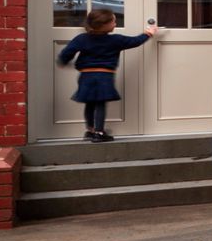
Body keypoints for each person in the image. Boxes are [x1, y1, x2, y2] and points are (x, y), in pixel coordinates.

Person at [56, 9, 158, 142]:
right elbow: (135, 41)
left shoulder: (81, 39)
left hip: (86, 76)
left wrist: (63, 62)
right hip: (104, 77)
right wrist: (148, 33)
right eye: (113, 22)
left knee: (90, 103)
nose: (115, 24)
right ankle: (99, 133)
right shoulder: (115, 40)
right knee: (100, 104)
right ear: (104, 25)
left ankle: (90, 130)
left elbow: (66, 54)